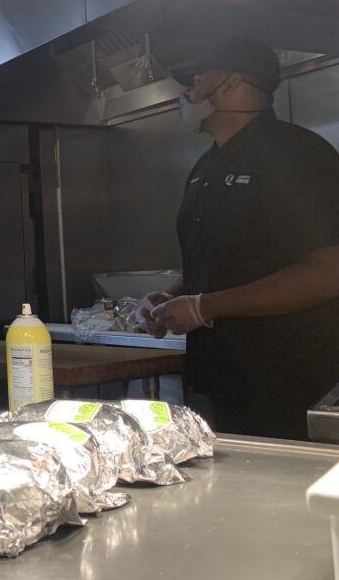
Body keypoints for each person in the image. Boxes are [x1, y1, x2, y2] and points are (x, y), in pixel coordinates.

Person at [136, 36, 339, 440]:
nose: (187, 93)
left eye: (195, 79)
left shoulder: (296, 154)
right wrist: (176, 295)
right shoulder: (206, 164)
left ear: (232, 85)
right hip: (217, 379)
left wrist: (204, 306)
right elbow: (225, 257)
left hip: (287, 381)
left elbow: (327, 272)